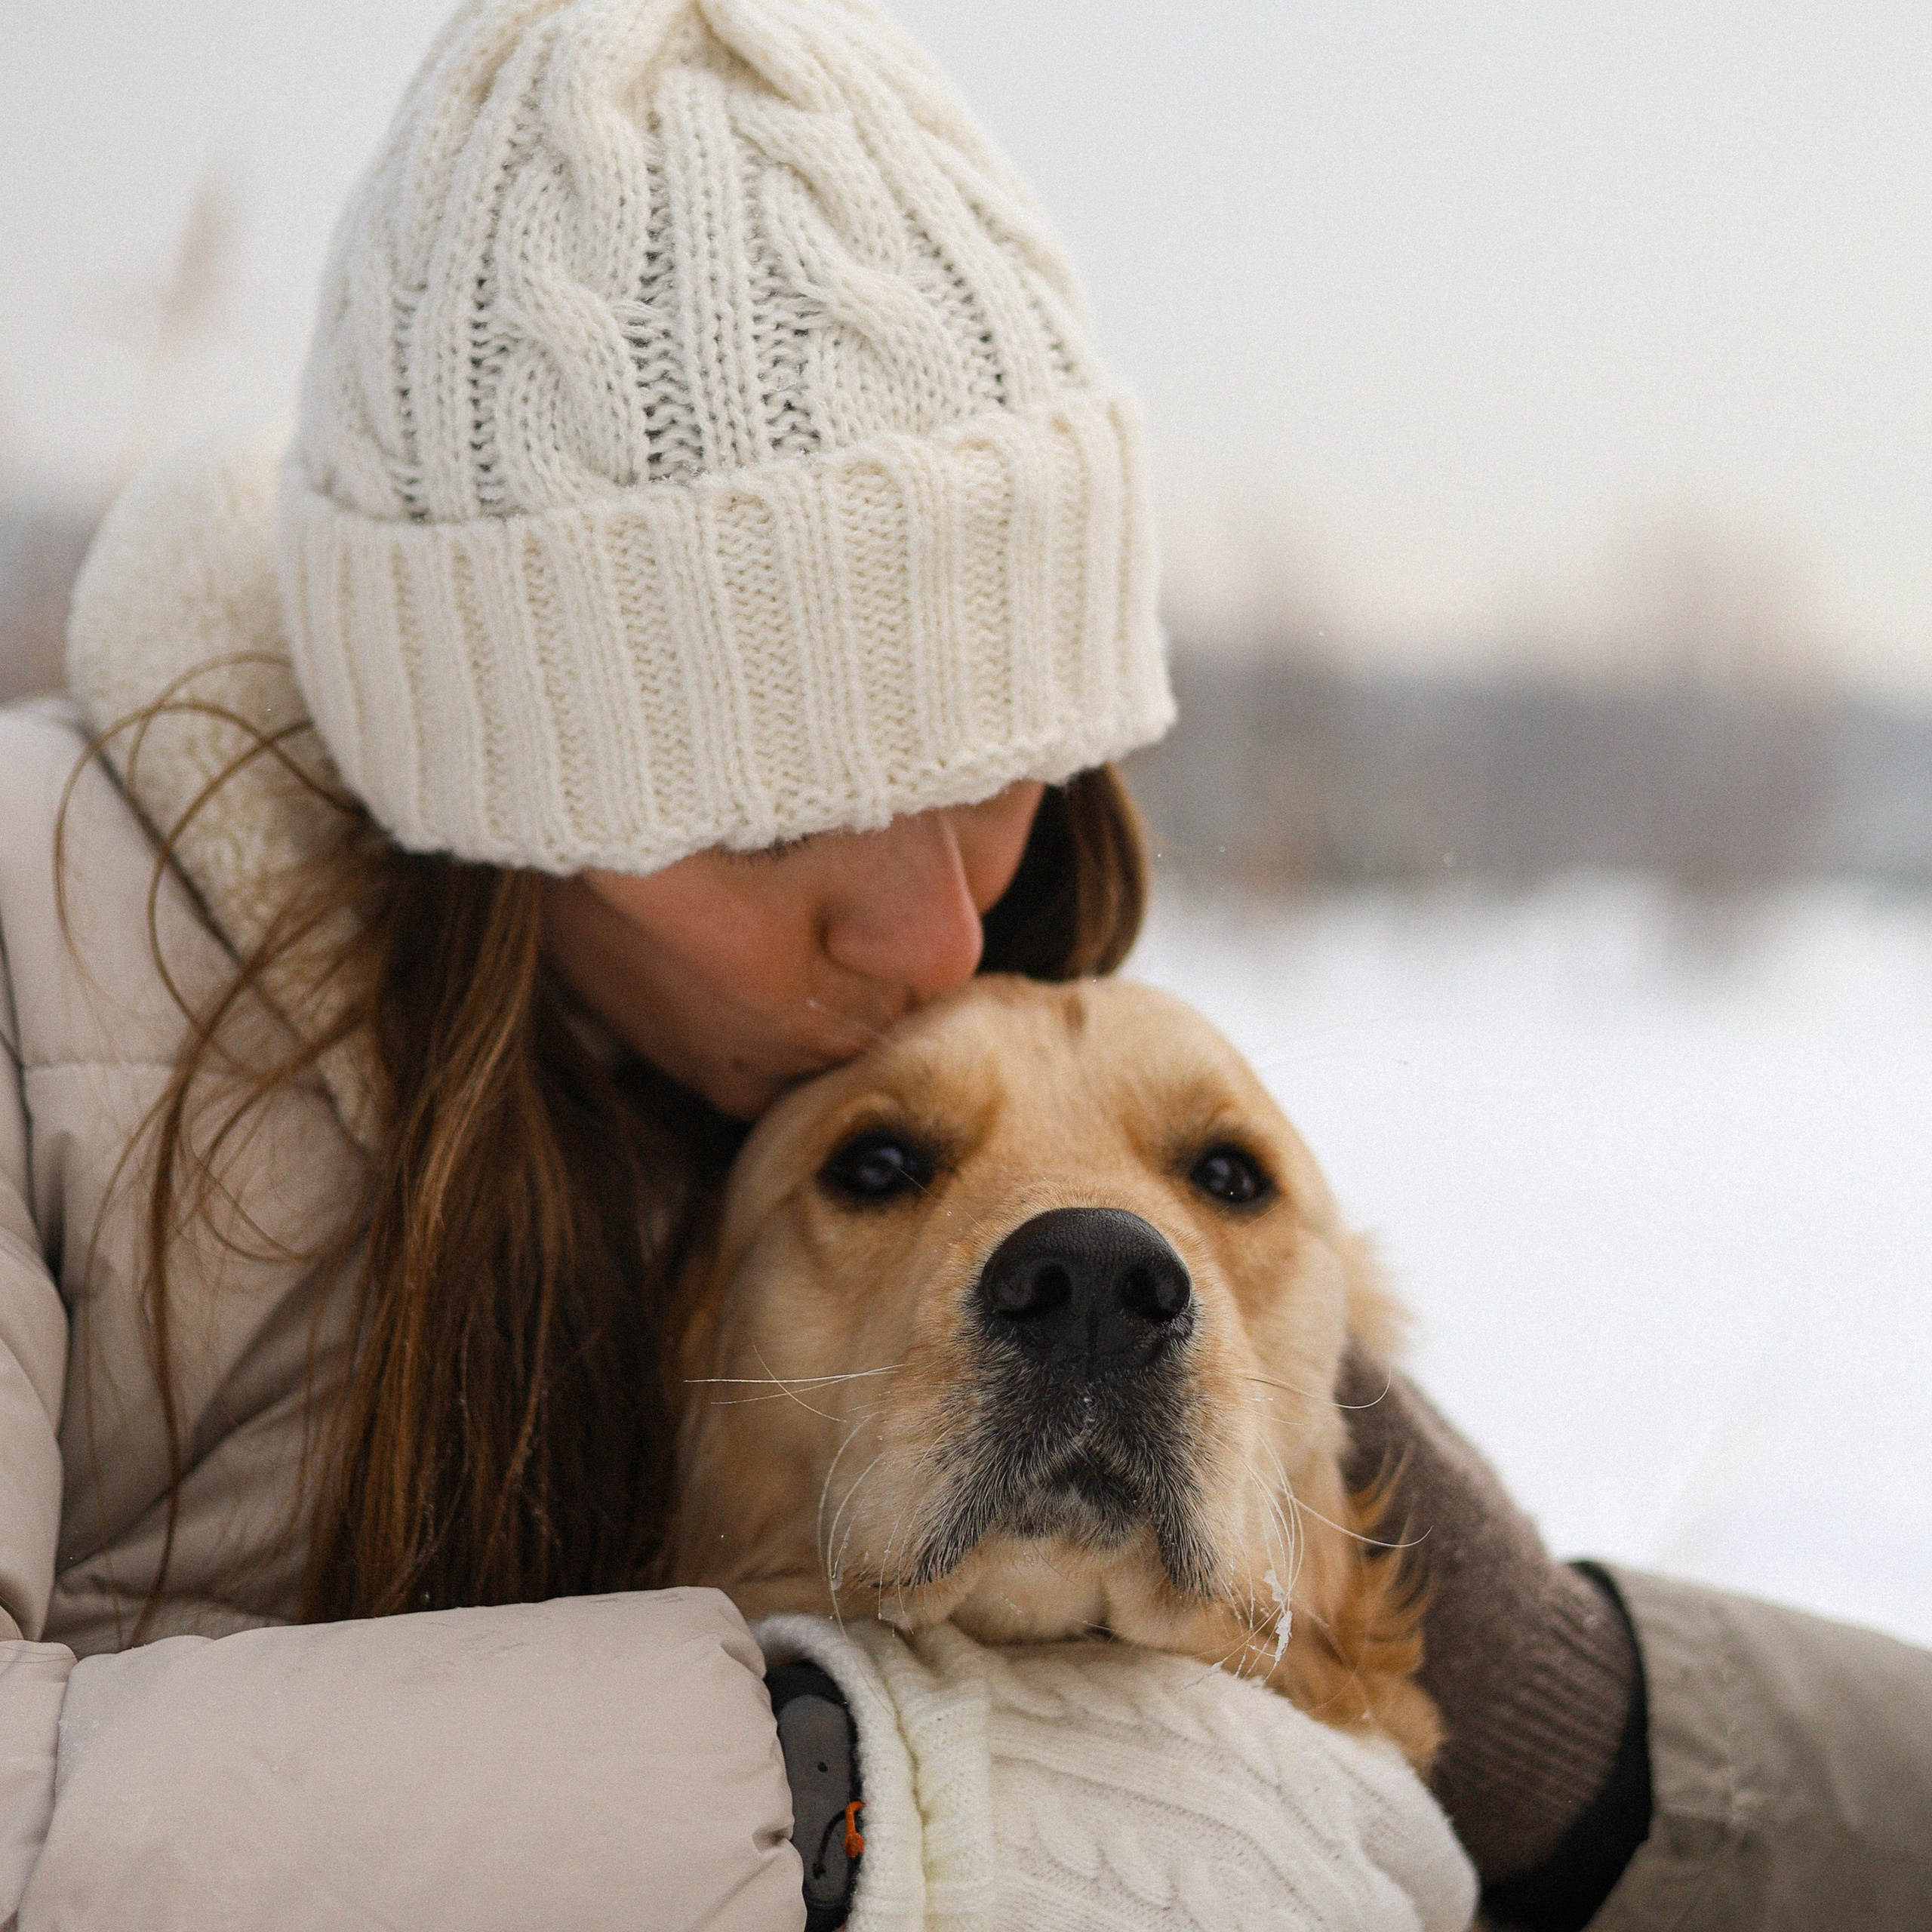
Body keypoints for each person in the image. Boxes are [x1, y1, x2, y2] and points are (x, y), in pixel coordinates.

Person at [0, 0, 1926, 1926]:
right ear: (494, 788)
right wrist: (866, 1787)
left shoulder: (771, 1013)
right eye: (761, 812)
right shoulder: (37, 968)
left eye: (996, 762)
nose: (934, 935)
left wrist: (1524, 1690)